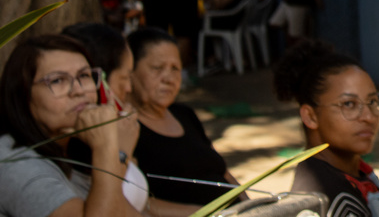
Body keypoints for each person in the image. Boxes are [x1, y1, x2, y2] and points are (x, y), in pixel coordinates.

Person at [0, 33, 139, 217]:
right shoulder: (15, 163)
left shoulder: (73, 147)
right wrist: (112, 150)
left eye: (84, 75)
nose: (79, 90)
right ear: (22, 94)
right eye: (57, 80)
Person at [128, 28, 239, 210]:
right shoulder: (126, 129)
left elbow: (222, 172)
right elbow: (136, 203)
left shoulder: (184, 114)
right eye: (157, 68)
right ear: (130, 71)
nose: (169, 78)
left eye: (175, 68)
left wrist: (252, 207)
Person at [274, 40, 379, 217]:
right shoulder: (325, 198)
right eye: (348, 104)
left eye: (372, 102)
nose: (369, 117)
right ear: (310, 116)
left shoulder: (356, 174)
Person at [62, 22, 150, 212]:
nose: (128, 88)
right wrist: (120, 154)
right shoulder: (63, 156)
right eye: (125, 77)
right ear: (99, 83)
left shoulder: (121, 132)